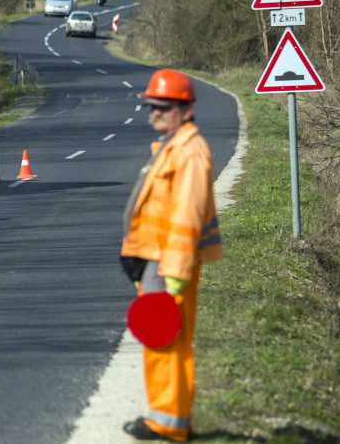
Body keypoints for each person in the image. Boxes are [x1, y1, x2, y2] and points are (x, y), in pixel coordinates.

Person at [120, 69, 223, 442]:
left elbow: (186, 217)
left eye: (161, 107)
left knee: (166, 341)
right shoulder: (173, 144)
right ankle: (170, 417)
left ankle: (167, 423)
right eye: (151, 106)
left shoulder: (190, 151)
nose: (153, 114)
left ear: (185, 109)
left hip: (169, 265)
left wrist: (175, 272)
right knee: (161, 340)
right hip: (157, 261)